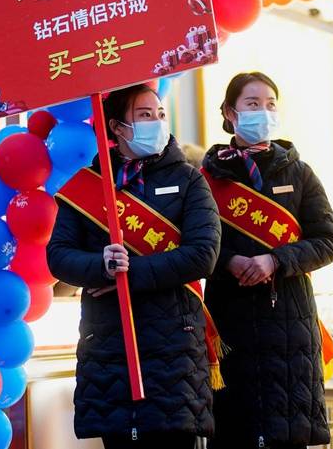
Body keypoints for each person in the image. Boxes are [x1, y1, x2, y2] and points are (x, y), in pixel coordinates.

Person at [47, 84, 221, 448]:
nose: (156, 122)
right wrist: (101, 264)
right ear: (117, 127)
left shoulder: (189, 180)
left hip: (175, 344)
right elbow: (59, 255)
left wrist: (130, 274)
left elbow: (203, 253)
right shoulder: (87, 186)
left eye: (159, 114)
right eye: (144, 115)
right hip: (109, 344)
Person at [202, 72, 333, 449]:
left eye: (270, 104)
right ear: (230, 112)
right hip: (231, 323)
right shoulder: (205, 179)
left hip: (289, 325)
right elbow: (194, 245)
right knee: (236, 432)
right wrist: (228, 262)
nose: (262, 112)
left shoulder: (299, 173)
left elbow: (327, 241)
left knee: (287, 430)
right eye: (252, 104)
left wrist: (276, 260)